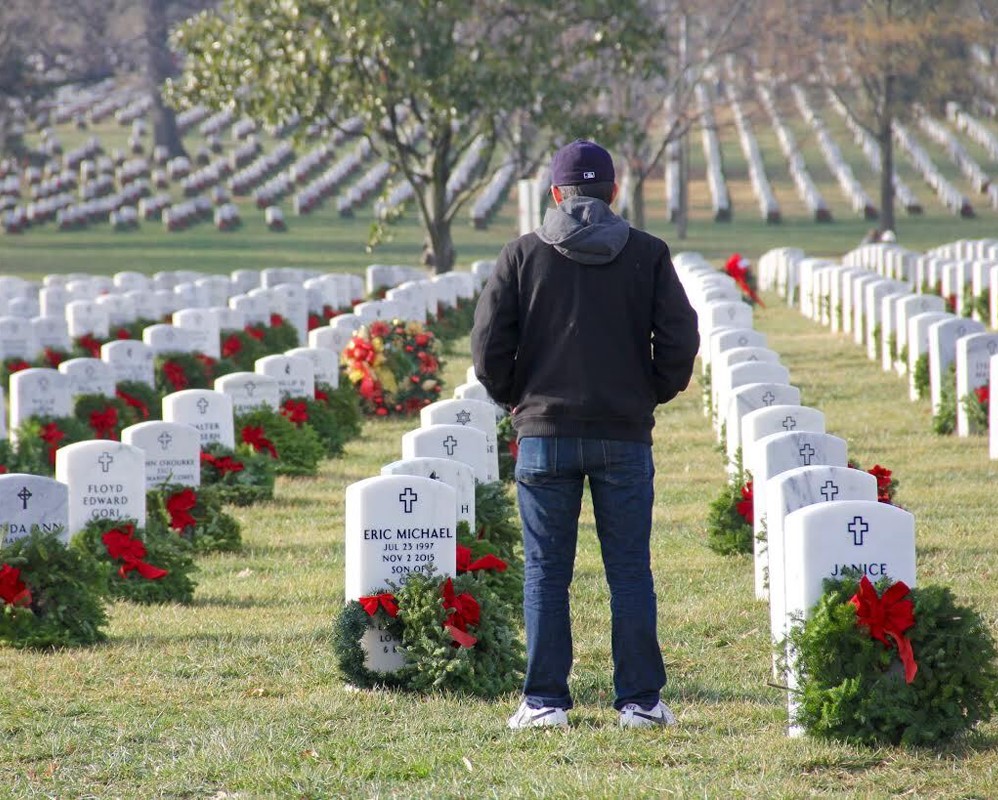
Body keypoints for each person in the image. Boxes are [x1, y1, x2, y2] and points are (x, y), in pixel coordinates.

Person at [471, 139, 700, 729]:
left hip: (545, 435)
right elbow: (679, 339)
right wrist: (647, 393)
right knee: (629, 570)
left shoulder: (522, 254)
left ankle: (545, 701)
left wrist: (519, 402)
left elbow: (488, 347)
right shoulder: (647, 253)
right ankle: (640, 703)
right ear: (614, 193)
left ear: (555, 194)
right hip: (624, 435)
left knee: (547, 571)